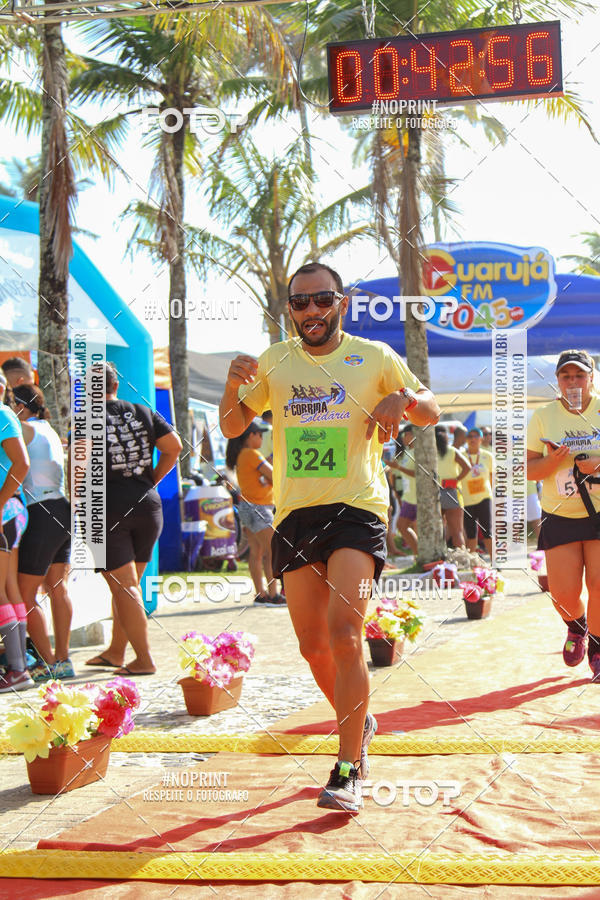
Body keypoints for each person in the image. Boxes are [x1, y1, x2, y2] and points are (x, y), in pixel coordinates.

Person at [219, 261, 440, 812]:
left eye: (322, 300)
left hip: (357, 510)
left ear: (341, 302)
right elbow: (229, 426)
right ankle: (359, 723)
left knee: (345, 631)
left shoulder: (374, 357)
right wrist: (230, 383)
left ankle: (347, 768)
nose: (311, 311)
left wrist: (403, 401)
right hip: (295, 516)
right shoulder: (275, 361)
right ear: (289, 309)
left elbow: (432, 408)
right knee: (312, 645)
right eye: (300, 303)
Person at [83, 362, 182, 676]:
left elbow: (79, 470)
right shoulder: (142, 410)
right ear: (116, 384)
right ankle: (116, 652)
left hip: (107, 506)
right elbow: (174, 447)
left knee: (125, 588)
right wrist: (151, 479)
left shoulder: (86, 419)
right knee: (128, 587)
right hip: (146, 504)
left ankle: (144, 659)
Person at [527, 349, 600, 680]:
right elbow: (530, 470)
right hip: (559, 514)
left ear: (591, 378)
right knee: (564, 593)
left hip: (597, 512)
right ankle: (577, 624)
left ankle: (597, 647)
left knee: (599, 585)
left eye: (579, 375)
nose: (573, 382)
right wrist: (555, 460)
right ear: (557, 381)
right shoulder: (543, 415)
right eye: (566, 376)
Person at [12, 385, 74, 681]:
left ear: (22, 407)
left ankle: (47, 662)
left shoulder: (21, 427)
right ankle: (62, 659)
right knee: (57, 589)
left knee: (24, 596)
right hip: (62, 509)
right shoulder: (47, 427)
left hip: (41, 512)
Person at [225, 420, 284, 606]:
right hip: (260, 508)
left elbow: (263, 476)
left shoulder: (242, 455)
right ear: (251, 436)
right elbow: (273, 474)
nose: (261, 438)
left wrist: (266, 478)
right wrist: (270, 477)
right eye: (260, 435)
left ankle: (261, 593)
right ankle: (274, 594)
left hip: (246, 507)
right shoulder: (252, 454)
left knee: (256, 553)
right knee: (271, 551)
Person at [0, 373, 33, 693]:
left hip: (6, 509)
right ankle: (19, 667)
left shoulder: (2, 414)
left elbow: (21, 464)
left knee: (2, 592)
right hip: (11, 509)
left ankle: (17, 668)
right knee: (10, 589)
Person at [435, 425, 470, 550]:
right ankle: (462, 559)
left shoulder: (430, 453)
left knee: (438, 530)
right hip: (452, 491)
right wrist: (455, 480)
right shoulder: (452, 451)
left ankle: (440, 558)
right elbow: (467, 467)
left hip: (436, 492)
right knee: (457, 531)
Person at [462, 427, 494, 557]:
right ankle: (472, 562)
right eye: (470, 436)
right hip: (466, 499)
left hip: (484, 497)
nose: (473, 439)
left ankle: (494, 561)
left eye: (476, 436)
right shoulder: (461, 456)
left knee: (487, 530)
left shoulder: (488, 456)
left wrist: (488, 491)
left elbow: (492, 477)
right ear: (466, 439)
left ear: (481, 439)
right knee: (470, 532)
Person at [387, 426, 418, 556]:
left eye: (405, 434)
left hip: (417, 497)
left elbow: (418, 473)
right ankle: (418, 554)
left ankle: (422, 556)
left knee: (412, 526)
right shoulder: (406, 452)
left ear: (412, 435)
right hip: (408, 496)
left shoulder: (418, 452)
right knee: (402, 525)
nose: (403, 438)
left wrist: (398, 466)